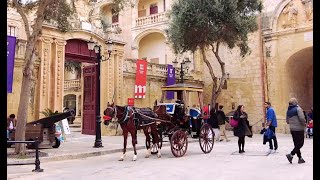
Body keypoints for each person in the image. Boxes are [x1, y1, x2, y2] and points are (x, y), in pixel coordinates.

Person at [286, 98, 306, 164]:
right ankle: (291, 154)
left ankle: (300, 158)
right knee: (300, 143)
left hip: (292, 129)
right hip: (299, 129)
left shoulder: (288, 110)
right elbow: (302, 118)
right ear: (295, 102)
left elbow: (287, 121)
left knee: (296, 143)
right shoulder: (298, 109)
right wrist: (304, 124)